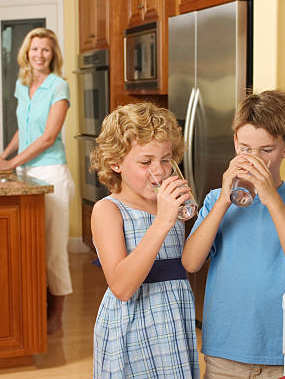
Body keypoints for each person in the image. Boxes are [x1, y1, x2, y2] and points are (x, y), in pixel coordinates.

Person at [181, 90, 285, 379]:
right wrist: (224, 200)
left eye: (267, 150)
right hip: (225, 351)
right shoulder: (217, 200)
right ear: (236, 142)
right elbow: (190, 262)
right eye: (246, 149)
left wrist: (272, 199)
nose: (254, 159)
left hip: (282, 351)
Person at [89, 102, 200, 378]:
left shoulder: (170, 206)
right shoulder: (109, 210)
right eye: (145, 162)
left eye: (165, 159)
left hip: (173, 320)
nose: (160, 171)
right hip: (132, 327)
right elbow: (122, 287)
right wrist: (163, 221)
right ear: (115, 162)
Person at [0, 27, 74, 335]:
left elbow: (48, 137)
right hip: (26, 173)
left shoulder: (59, 86)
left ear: (53, 54)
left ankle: (57, 315)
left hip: (51, 174)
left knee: (54, 249)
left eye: (46, 50)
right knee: (31, 245)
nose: (39, 55)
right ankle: (37, 306)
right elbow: (24, 129)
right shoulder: (23, 85)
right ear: (27, 53)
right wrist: (3, 157)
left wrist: (10, 163)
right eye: (35, 49)